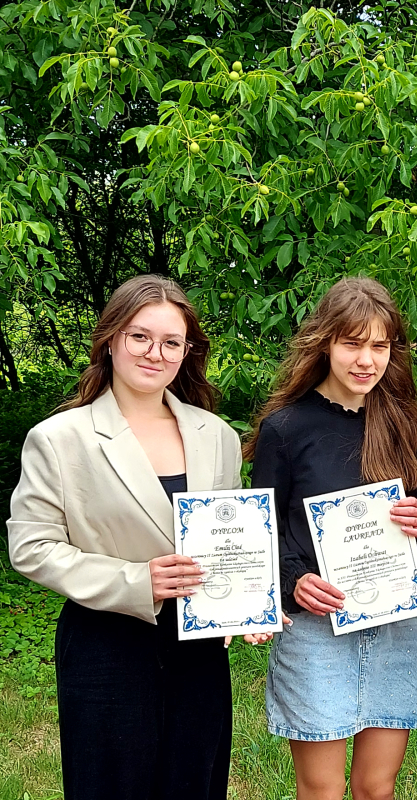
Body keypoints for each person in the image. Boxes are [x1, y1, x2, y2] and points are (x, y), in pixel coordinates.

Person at [7, 275, 262, 800]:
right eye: (140, 336)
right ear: (111, 338)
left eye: (172, 342)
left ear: (186, 352)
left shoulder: (215, 435)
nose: (155, 353)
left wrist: (243, 603)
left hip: (199, 645)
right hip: (107, 643)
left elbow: (228, 534)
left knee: (195, 781)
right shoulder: (58, 439)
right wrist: (133, 579)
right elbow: (31, 547)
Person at [244, 277, 417, 800]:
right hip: (314, 633)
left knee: (377, 788)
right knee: (322, 790)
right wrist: (295, 582)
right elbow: (264, 537)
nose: (366, 360)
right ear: (325, 342)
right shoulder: (285, 429)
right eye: (352, 343)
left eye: (380, 345)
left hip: (393, 627)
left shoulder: (401, 423)